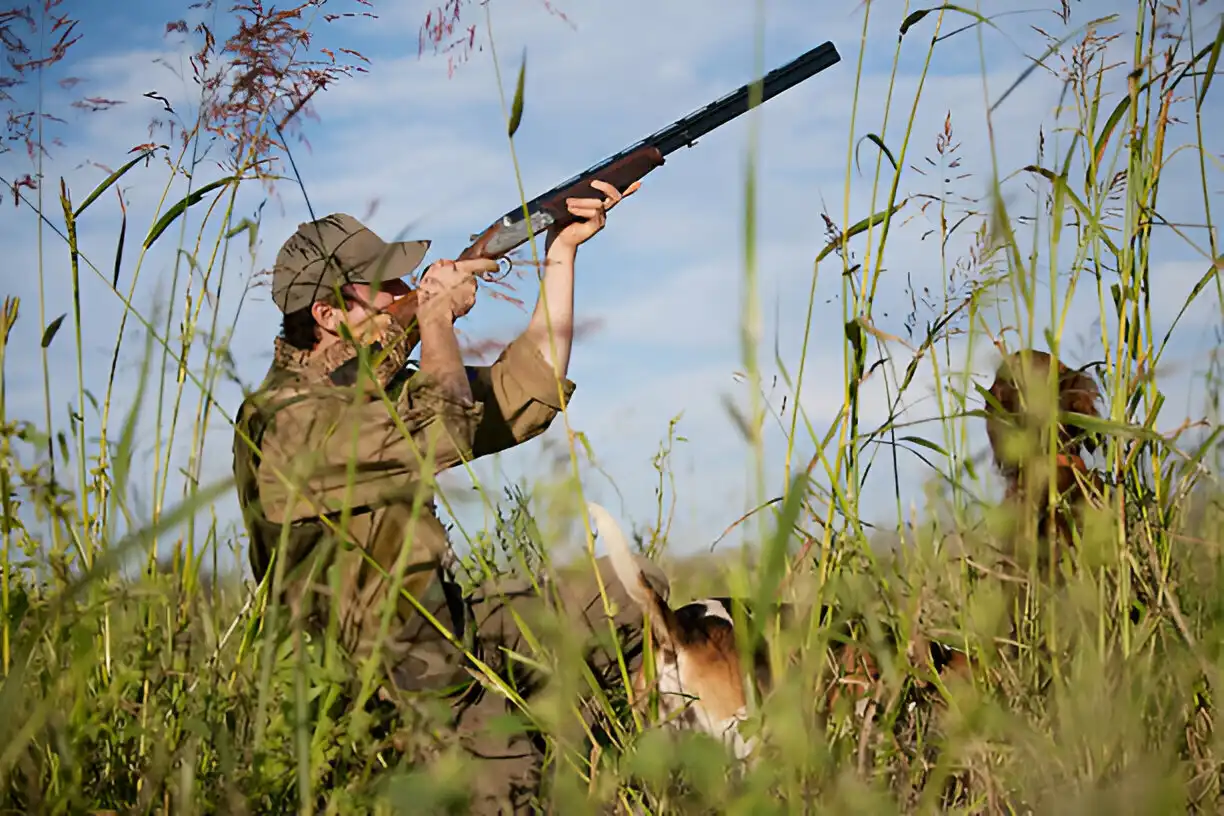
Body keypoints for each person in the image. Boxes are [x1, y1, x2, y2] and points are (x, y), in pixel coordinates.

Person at [231, 180, 669, 812]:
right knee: (516, 791)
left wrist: (559, 256)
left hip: (449, 628)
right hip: (386, 685)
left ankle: (595, 764)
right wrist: (433, 320)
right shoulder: (284, 422)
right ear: (328, 316)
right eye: (384, 287)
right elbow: (447, 422)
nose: (404, 294)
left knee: (634, 593)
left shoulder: (370, 392)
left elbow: (529, 392)